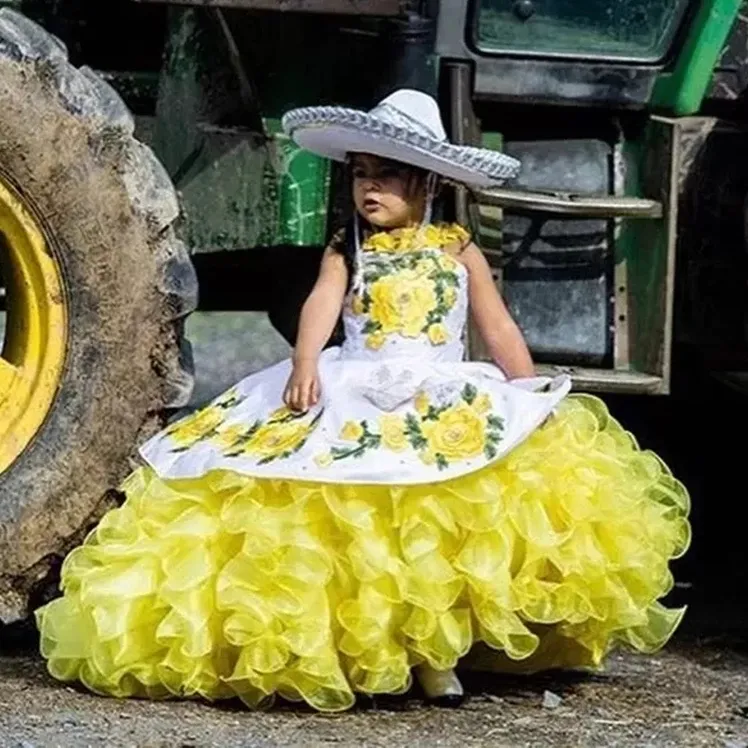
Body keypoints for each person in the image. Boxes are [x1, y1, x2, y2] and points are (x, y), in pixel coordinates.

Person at [35, 90, 691, 712]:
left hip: (436, 389)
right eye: (360, 175)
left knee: (439, 517)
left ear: (428, 185)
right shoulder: (348, 249)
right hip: (357, 378)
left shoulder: (457, 250)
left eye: (389, 176)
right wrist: (305, 361)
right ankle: (376, 649)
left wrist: (525, 391)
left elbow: (497, 326)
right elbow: (321, 304)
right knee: (343, 507)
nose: (369, 189)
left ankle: (439, 651)